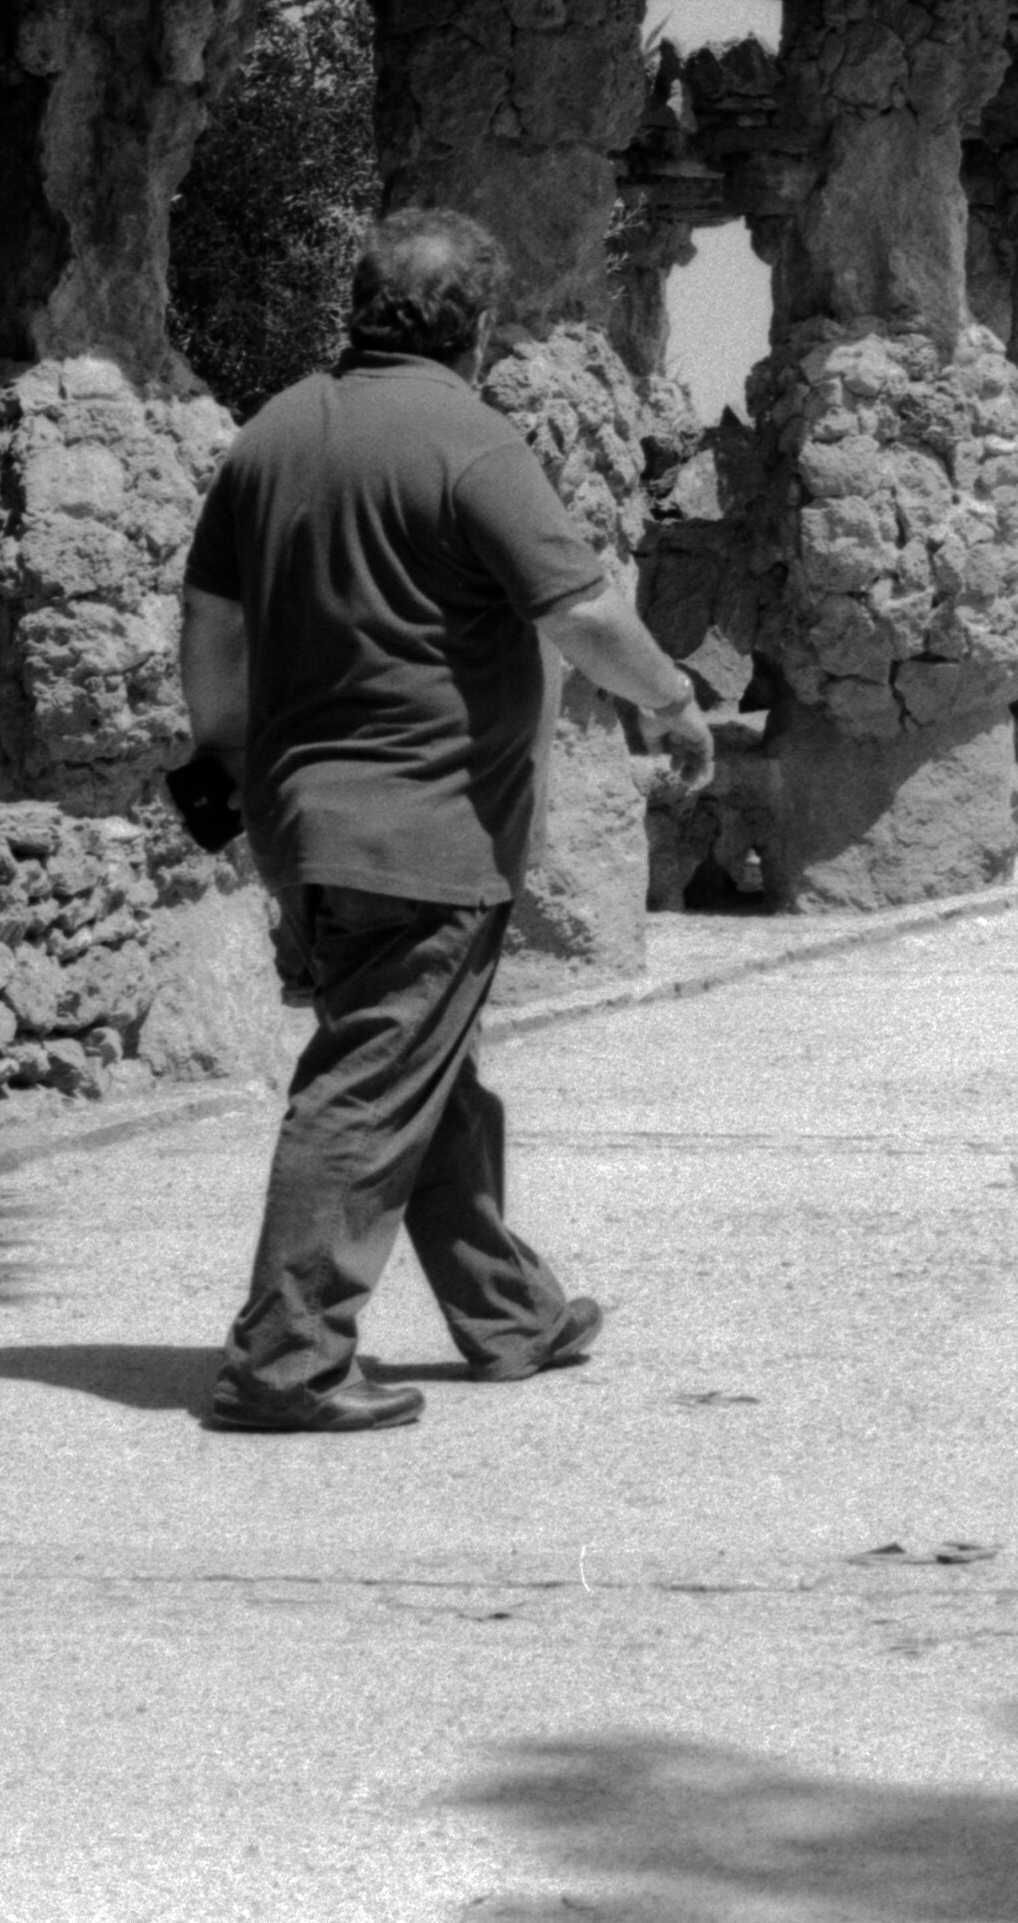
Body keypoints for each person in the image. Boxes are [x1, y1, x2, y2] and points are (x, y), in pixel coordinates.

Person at [178, 209, 719, 1435]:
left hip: (300, 825)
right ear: (476, 327)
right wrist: (677, 701)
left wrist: (223, 752)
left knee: (427, 1073)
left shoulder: (271, 433)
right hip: (425, 829)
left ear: (357, 308)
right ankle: (286, 1358)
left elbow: (211, 629)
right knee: (369, 1086)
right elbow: (582, 615)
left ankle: (510, 1312)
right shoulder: (474, 445)